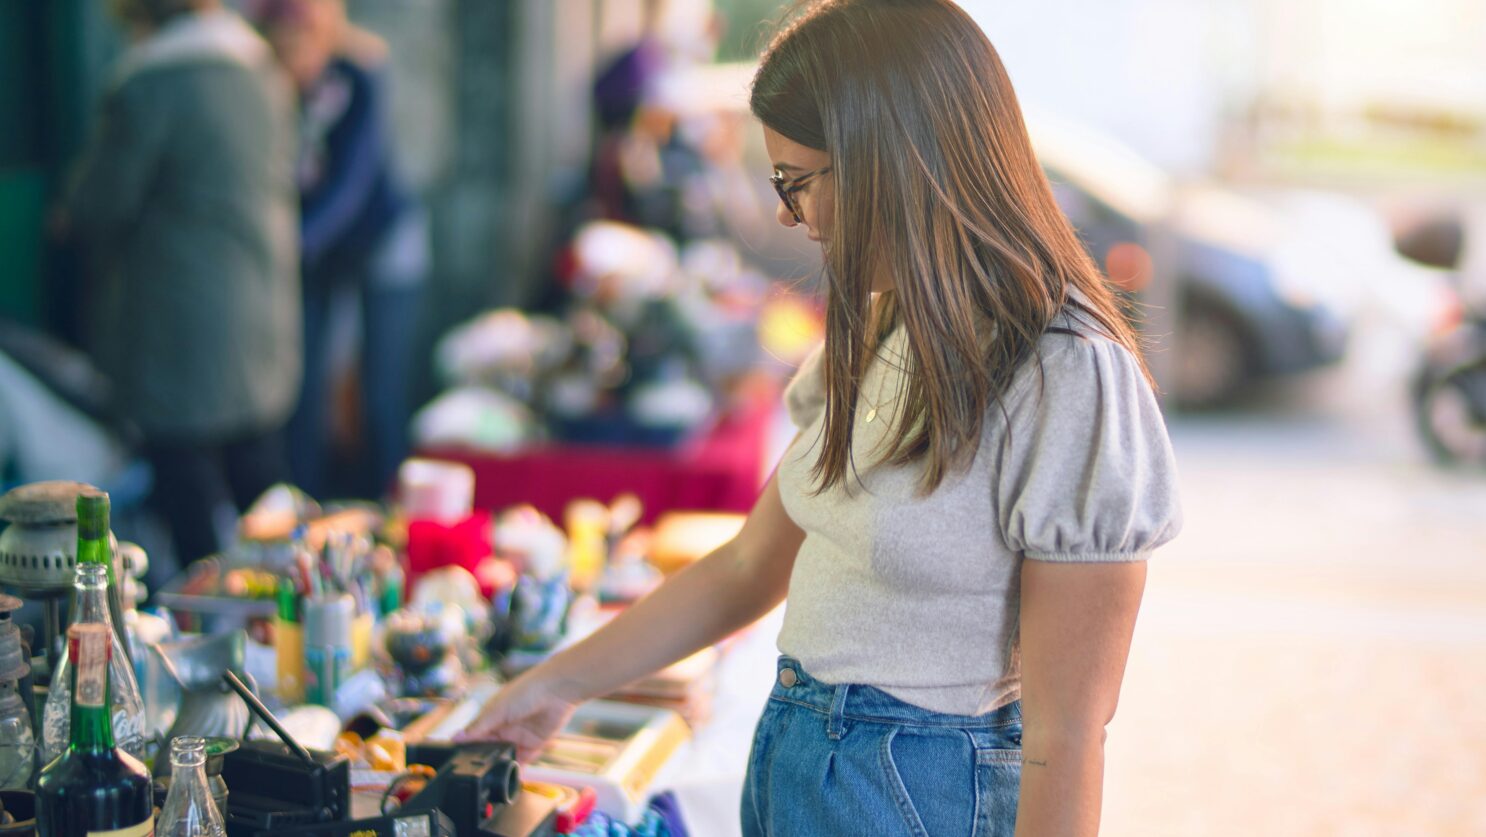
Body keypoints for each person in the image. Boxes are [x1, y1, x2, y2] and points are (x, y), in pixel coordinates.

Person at [462, 1, 1182, 834]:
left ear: (889, 161)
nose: (785, 214)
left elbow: (1068, 734)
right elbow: (747, 566)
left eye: (795, 182)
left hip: (912, 792)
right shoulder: (889, 322)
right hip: (803, 766)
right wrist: (553, 684)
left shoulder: (1069, 371)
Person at [61, 0, 300, 567]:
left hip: (181, 322)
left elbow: (99, 204)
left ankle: (210, 604)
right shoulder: (260, 68)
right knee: (260, 482)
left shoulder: (151, 83)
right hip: (262, 306)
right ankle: (285, 597)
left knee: (188, 494)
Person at [254, 0, 429, 500]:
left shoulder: (358, 75)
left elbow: (353, 180)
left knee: (380, 389)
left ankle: (387, 502)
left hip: (380, 237)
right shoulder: (268, 87)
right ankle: (301, 503)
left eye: (300, 41)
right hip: (316, 250)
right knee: (302, 383)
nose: (294, 57)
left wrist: (293, 243)